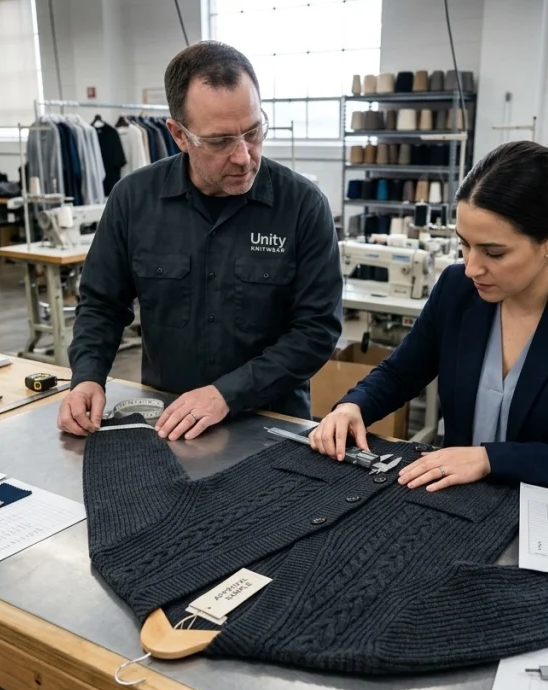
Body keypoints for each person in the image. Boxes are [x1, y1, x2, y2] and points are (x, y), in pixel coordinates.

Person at [309, 140, 548, 492]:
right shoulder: (456, 289)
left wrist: (488, 459)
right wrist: (354, 406)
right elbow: (401, 372)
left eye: (494, 252)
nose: (472, 268)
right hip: (458, 501)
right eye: (464, 244)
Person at [58, 41, 342, 440]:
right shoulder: (133, 199)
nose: (244, 156)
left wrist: (226, 394)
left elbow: (316, 332)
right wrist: (87, 376)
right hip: (167, 423)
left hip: (273, 426)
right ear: (178, 135)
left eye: (253, 131)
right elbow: (103, 304)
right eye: (220, 141)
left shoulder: (302, 206)